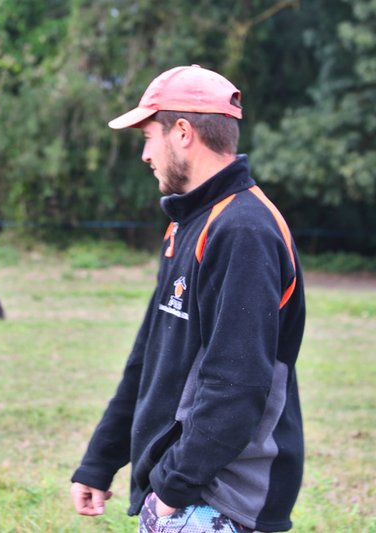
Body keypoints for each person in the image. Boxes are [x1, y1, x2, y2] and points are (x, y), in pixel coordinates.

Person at [70, 65, 306, 533]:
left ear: (182, 132)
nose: (145, 154)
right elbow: (149, 357)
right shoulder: (187, 223)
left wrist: (172, 490)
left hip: (220, 498)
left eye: (148, 137)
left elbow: (237, 384)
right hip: (184, 486)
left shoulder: (243, 231)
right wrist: (101, 460)